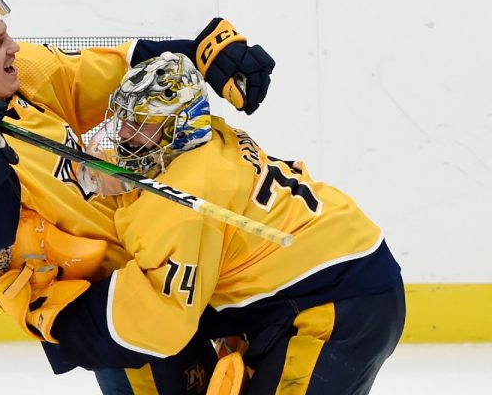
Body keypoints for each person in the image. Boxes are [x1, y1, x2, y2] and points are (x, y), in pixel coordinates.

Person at [0, 0, 276, 394]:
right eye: (0, 41)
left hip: (160, 277)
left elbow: (116, 69)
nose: (15, 48)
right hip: (111, 308)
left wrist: (202, 52)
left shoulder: (24, 76)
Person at [35, 52, 405, 394]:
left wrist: (63, 328)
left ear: (180, 126)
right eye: (125, 119)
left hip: (344, 303)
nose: (126, 134)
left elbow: (161, 318)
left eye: (142, 123)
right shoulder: (211, 135)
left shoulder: (185, 200)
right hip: (329, 269)